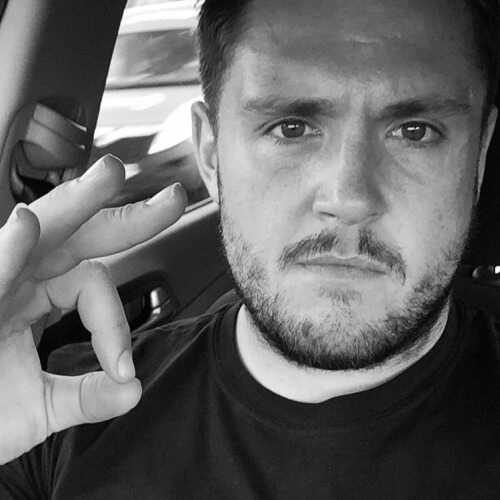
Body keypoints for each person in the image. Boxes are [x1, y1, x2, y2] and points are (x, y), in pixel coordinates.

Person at [1, 0, 500, 497]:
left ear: (478, 158)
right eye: (291, 128)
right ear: (211, 155)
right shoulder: (58, 412)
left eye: (415, 133)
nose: (348, 199)